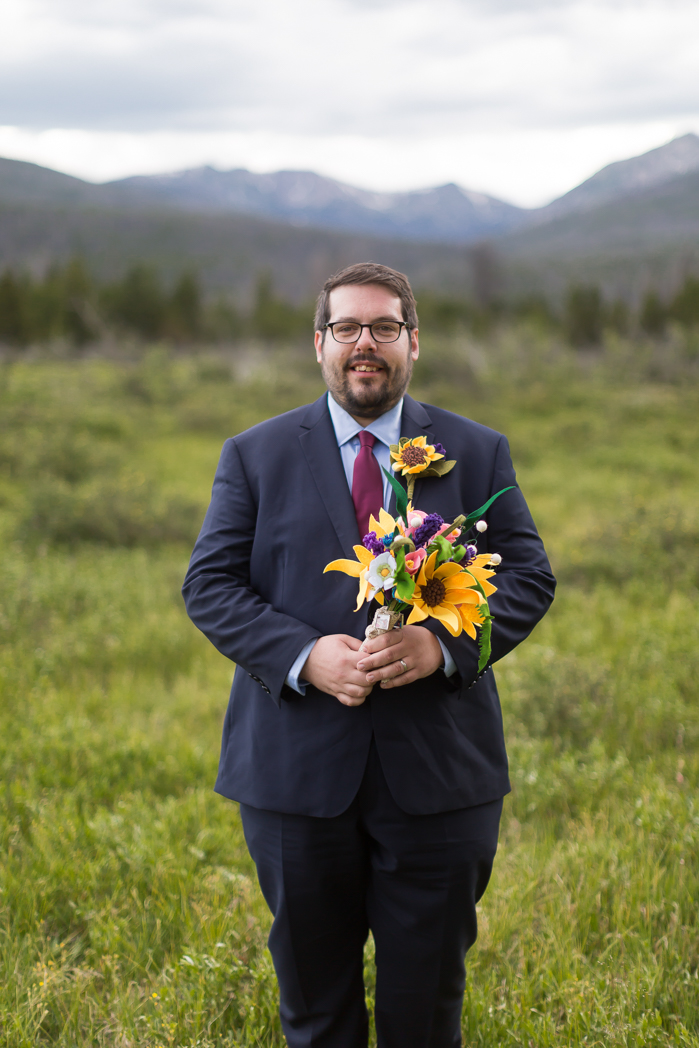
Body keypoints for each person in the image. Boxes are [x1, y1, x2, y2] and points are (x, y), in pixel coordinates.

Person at [182, 262, 555, 1048]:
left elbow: (528, 576)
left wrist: (442, 643)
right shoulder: (253, 455)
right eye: (346, 327)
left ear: (412, 343)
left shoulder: (474, 451)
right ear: (317, 344)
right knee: (315, 1013)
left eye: (383, 327)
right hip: (295, 775)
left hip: (439, 775)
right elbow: (209, 586)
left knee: (424, 1014)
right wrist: (302, 654)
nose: (365, 344)